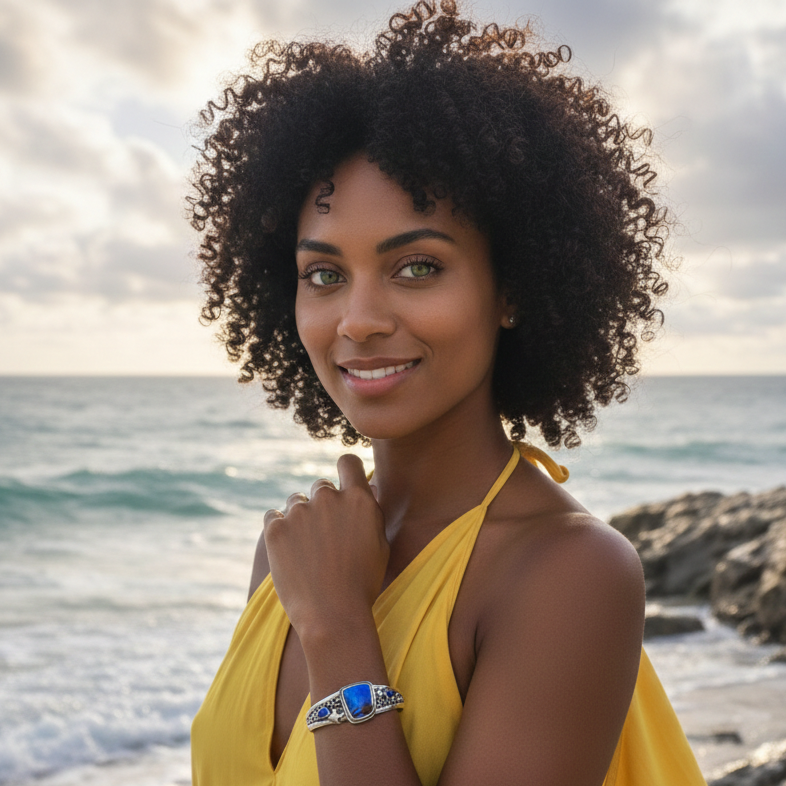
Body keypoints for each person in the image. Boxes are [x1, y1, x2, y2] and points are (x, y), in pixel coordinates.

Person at [188, 2, 707, 784]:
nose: (358, 321)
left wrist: (338, 629)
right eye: (324, 275)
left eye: (417, 266)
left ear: (512, 289)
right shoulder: (294, 551)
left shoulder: (570, 573)